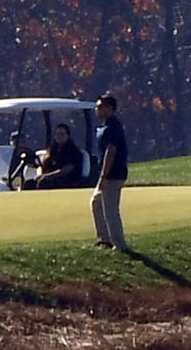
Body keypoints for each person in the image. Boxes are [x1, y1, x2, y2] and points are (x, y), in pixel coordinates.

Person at [91, 94, 128, 251]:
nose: (97, 109)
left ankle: (119, 245)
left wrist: (103, 176)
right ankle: (104, 239)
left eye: (100, 106)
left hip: (113, 174)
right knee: (96, 203)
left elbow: (111, 152)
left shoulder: (113, 127)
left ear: (109, 109)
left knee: (111, 210)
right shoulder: (106, 126)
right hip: (109, 174)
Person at [33, 123, 84, 189]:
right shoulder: (52, 150)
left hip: (67, 180)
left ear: (67, 136)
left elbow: (67, 169)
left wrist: (47, 176)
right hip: (51, 178)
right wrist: (40, 175)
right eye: (57, 134)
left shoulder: (73, 151)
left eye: (62, 134)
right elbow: (42, 165)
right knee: (30, 183)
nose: (59, 136)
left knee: (44, 182)